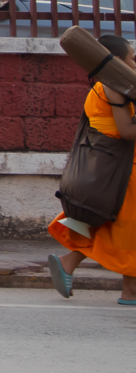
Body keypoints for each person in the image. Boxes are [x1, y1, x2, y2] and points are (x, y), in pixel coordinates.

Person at [49, 34, 136, 302]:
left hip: (107, 167)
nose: (135, 63)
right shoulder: (114, 87)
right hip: (124, 170)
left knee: (113, 226)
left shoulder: (98, 86)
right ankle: (130, 290)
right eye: (132, 58)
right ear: (116, 60)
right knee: (127, 230)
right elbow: (126, 132)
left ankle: (69, 263)